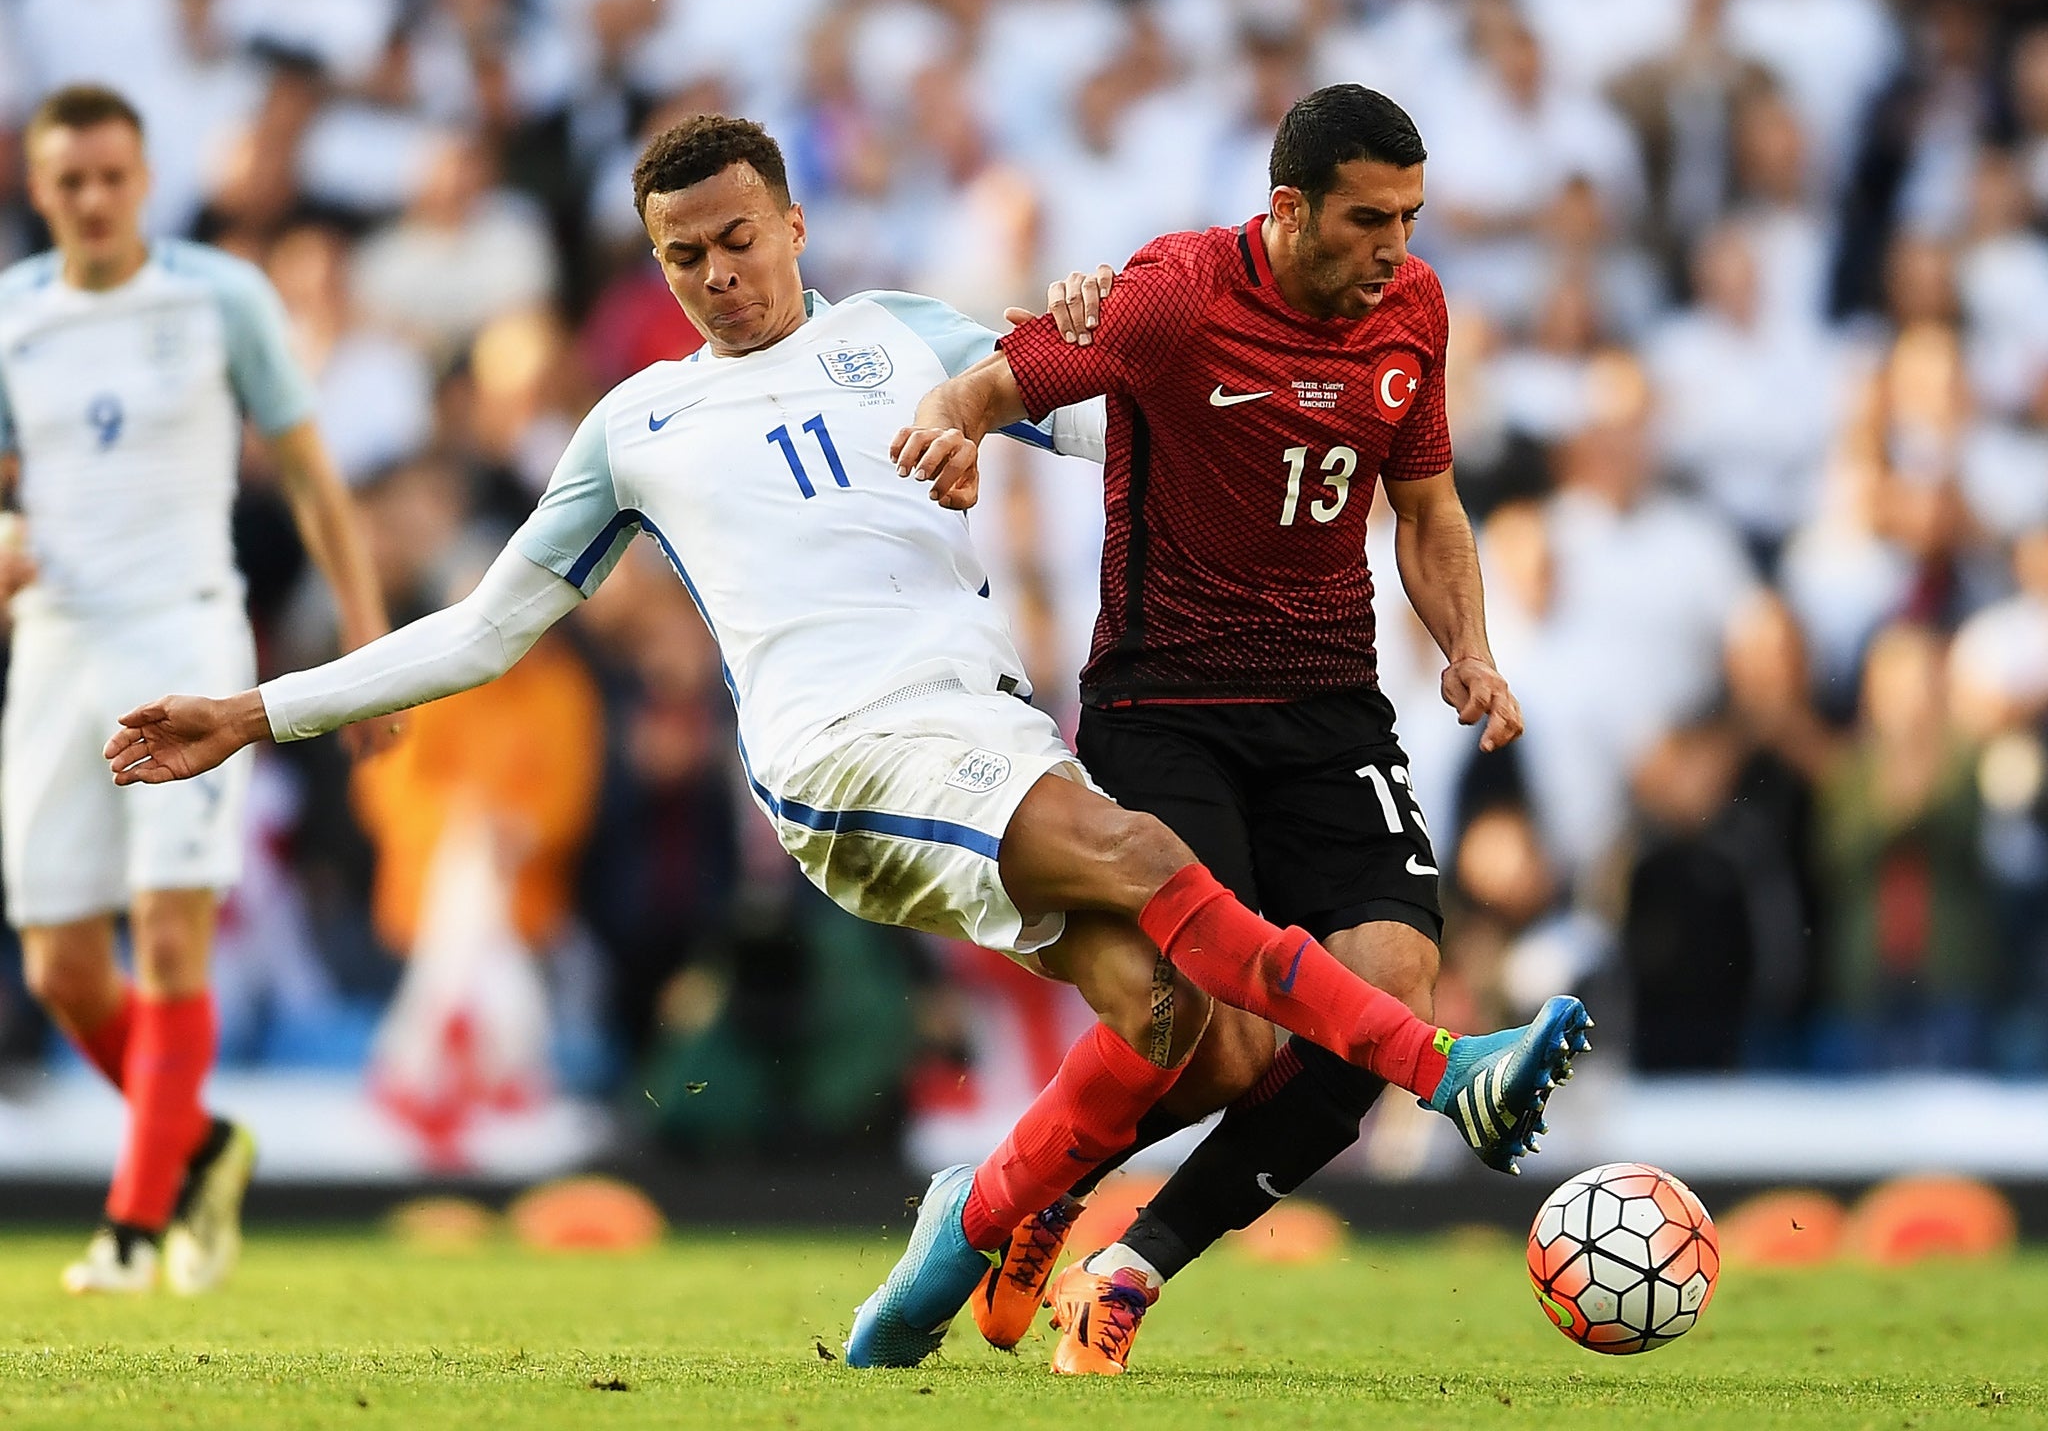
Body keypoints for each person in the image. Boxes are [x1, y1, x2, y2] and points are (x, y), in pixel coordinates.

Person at [101, 113, 1590, 1367]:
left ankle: (972, 1222)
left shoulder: (905, 339)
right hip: (840, 755)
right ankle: (1444, 1063)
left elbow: (1133, 417)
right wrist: (259, 710)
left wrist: (1112, 330)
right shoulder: (637, 426)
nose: (714, 278)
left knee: (1183, 1037)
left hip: (990, 728)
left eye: (736, 240)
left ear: (795, 223)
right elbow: (488, 629)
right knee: (1145, 857)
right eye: (682, 258)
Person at [893, 84, 1548, 1373]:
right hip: (1163, 705)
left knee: (1392, 996)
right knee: (1218, 1037)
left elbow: (1424, 510)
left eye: (1409, 219)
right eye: (1368, 218)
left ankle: (1129, 1264)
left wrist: (1466, 647)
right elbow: (996, 383)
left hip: (1328, 706)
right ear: (1287, 205)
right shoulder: (1173, 298)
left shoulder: (1411, 310)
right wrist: (949, 429)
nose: (1393, 249)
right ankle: (1038, 1187)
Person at [0, 83, 389, 1294]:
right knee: (61, 966)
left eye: (114, 176)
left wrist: (369, 652)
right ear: (38, 185)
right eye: (71, 181)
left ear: (145, 177)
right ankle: (203, 1145)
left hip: (184, 632)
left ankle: (132, 1222)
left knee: (170, 933)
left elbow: (318, 482)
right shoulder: (12, 316)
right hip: (57, 643)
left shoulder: (220, 296)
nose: (95, 199)